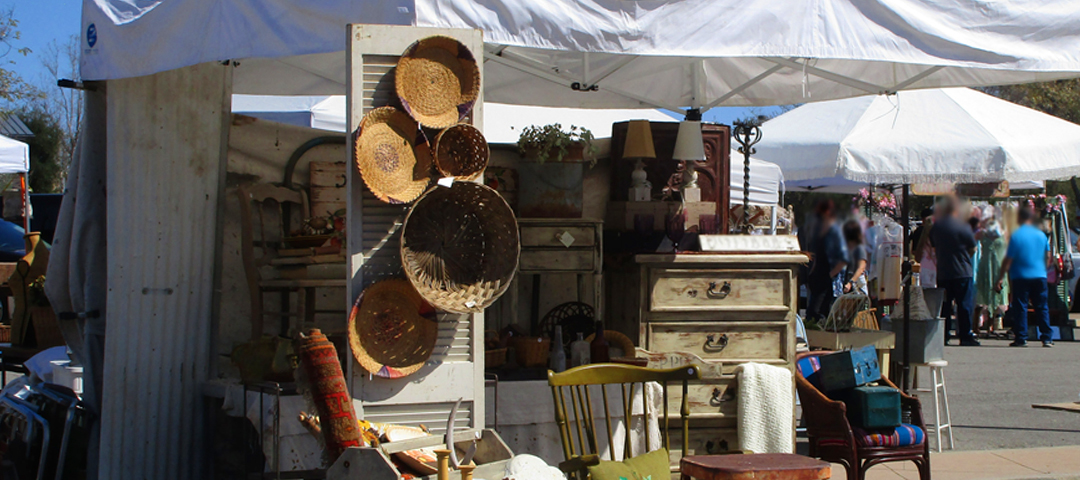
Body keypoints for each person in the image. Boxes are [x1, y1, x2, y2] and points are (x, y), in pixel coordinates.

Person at [996, 205, 1053, 347]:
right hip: (1039, 274)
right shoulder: (1041, 235)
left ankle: (1021, 337)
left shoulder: (1016, 235)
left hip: (1020, 275)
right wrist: (1043, 269)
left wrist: (1001, 276)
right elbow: (1047, 255)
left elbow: (1008, 259)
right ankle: (1047, 337)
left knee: (1021, 307)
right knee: (1042, 306)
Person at [930, 196, 980, 346]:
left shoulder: (937, 227)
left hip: (944, 272)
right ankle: (965, 336)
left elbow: (933, 246)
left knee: (945, 306)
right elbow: (973, 248)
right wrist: (964, 258)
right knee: (964, 305)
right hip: (962, 271)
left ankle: (944, 335)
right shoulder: (963, 226)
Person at [807, 200, 848, 321]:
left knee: (819, 313)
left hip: (828, 280)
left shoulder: (835, 232)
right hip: (817, 278)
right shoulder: (818, 231)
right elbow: (816, 254)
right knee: (813, 313)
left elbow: (844, 258)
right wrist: (811, 273)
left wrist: (829, 275)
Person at [843, 220, 869, 295]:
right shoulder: (847, 248)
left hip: (856, 284)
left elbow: (861, 268)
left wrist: (851, 282)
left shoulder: (859, 248)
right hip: (847, 283)